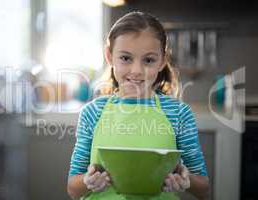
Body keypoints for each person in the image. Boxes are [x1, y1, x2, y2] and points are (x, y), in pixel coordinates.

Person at [67, 11, 210, 200]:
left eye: (148, 60)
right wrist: (87, 181)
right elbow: (72, 188)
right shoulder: (92, 113)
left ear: (162, 61)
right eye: (126, 58)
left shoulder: (179, 114)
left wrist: (186, 180)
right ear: (109, 57)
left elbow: (204, 188)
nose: (136, 71)